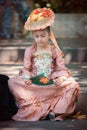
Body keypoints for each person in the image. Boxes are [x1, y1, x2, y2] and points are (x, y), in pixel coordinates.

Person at [8, 7, 80, 121]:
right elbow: (26, 68)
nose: (40, 39)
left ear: (49, 35)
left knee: (71, 84)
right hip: (35, 82)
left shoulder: (54, 50)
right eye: (37, 36)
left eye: (43, 36)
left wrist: (60, 78)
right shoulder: (30, 50)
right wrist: (28, 78)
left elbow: (61, 68)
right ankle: (35, 108)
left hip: (51, 81)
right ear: (33, 36)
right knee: (12, 81)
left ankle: (54, 110)